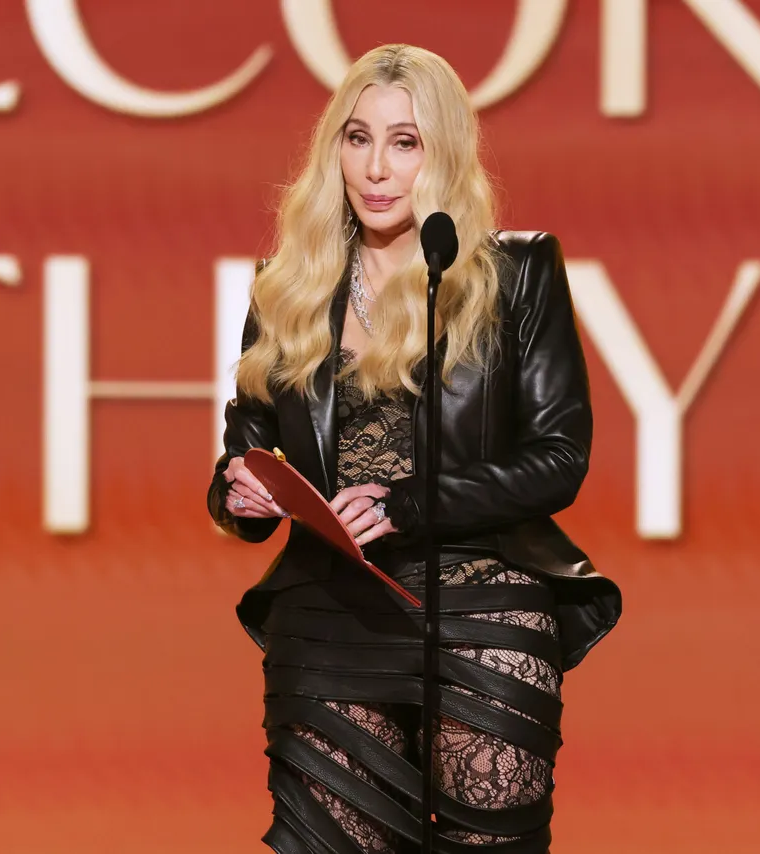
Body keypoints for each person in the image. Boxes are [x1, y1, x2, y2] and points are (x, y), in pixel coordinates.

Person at [206, 43, 621, 854]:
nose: (376, 169)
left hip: (481, 606)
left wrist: (405, 505)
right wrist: (237, 492)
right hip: (333, 617)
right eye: (357, 139)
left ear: (444, 153)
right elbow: (246, 450)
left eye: (405, 142)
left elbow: (559, 455)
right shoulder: (286, 287)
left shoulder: (516, 273)